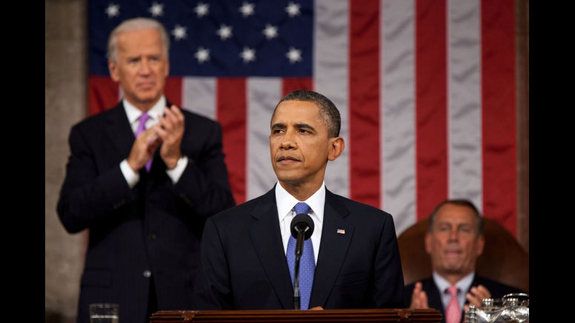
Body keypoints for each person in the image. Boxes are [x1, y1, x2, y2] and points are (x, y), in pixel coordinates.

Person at [57, 18, 235, 323]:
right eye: (134, 60)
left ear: (166, 65)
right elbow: (71, 214)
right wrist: (131, 167)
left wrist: (176, 162)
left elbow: (222, 213)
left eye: (154, 59)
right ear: (114, 70)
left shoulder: (202, 132)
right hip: (111, 298)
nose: (145, 69)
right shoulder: (89, 134)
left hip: (184, 297)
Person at [193, 89, 404, 310]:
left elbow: (389, 316)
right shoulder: (225, 230)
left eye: (303, 131)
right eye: (278, 130)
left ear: (334, 148)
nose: (286, 142)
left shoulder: (372, 229)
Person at [404, 199, 524, 323]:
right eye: (444, 228)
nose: (453, 237)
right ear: (429, 242)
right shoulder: (401, 303)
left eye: (464, 229)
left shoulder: (513, 304)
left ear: (479, 244)